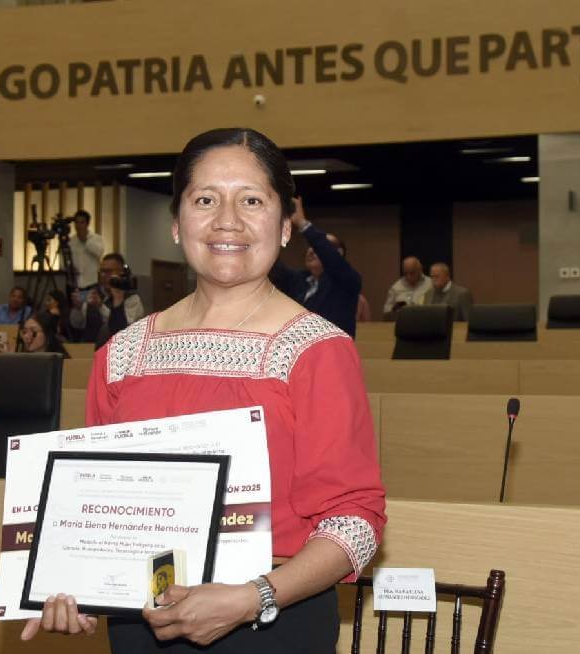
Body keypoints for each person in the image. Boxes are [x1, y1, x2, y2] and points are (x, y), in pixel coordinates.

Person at [21, 128, 386, 651]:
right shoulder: (121, 355)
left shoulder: (317, 350)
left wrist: (254, 597)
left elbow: (356, 524)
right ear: (177, 223)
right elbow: (94, 505)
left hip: (271, 622)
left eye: (252, 200)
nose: (227, 220)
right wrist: (75, 583)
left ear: (285, 226)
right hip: (144, 622)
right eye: (206, 200)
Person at [270, 198, 362, 337]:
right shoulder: (299, 280)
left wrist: (302, 224)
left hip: (332, 348)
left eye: (320, 246)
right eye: (311, 247)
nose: (312, 250)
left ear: (338, 253)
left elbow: (328, 255)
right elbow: (273, 264)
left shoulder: (346, 281)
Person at [69, 253, 145, 345]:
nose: (104, 275)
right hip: (90, 348)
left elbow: (124, 327)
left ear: (121, 273)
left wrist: (100, 307)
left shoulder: (132, 298)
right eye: (102, 271)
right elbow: (77, 324)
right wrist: (77, 308)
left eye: (109, 271)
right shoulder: (94, 293)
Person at [66, 209, 105, 290]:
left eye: (82, 222)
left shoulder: (96, 238)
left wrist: (85, 240)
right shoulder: (71, 241)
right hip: (75, 283)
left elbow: (99, 252)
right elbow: (65, 261)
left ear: (87, 224)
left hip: (92, 282)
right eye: (76, 222)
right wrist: (69, 268)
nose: (78, 225)